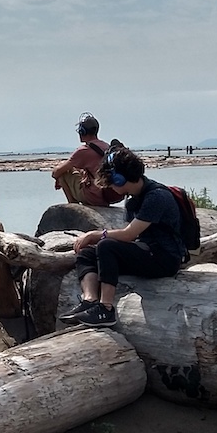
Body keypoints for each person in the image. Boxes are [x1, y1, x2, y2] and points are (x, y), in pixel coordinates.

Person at [58, 150, 184, 328]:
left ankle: (106, 309)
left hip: (165, 258)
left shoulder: (156, 197)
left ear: (119, 179)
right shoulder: (133, 199)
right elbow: (130, 237)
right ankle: (89, 301)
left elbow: (128, 234)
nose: (109, 187)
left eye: (110, 182)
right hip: (147, 251)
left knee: (106, 246)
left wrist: (95, 235)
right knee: (87, 253)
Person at [52, 114, 125, 207]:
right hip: (108, 194)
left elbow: (56, 173)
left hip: (94, 196)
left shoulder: (84, 150)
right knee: (77, 170)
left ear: (82, 131)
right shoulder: (106, 146)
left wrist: (58, 178)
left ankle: (73, 204)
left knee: (63, 172)